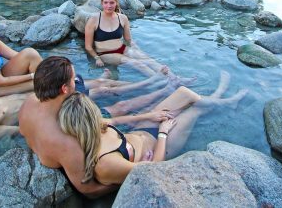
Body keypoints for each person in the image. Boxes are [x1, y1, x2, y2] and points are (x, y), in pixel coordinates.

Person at [19, 56, 183, 197]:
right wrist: (125, 175)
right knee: (124, 109)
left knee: (123, 109)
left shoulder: (30, 103)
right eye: (73, 79)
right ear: (64, 89)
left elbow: (23, 131)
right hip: (115, 158)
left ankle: (160, 88)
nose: (76, 82)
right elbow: (89, 190)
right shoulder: (67, 140)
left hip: (77, 137)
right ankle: (164, 89)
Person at [58, 73, 247, 186]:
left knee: (184, 93)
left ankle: (220, 98)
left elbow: (115, 120)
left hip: (146, 130)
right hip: (162, 147)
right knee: (195, 109)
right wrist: (164, 132)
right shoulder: (105, 163)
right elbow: (154, 168)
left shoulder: (93, 128)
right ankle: (225, 100)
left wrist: (148, 116)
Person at [0, 67, 175, 142]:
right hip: (57, 108)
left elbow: (9, 90)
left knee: (103, 87)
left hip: (48, 92)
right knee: (119, 107)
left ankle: (153, 83)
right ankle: (163, 89)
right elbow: (26, 131)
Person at [84, 0, 190, 78]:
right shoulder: (94, 19)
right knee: (137, 64)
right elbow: (88, 46)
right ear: (102, 3)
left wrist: (139, 51)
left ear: (116, 3)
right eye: (106, 3)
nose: (109, 6)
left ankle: (174, 78)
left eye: (112, 3)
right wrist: (96, 58)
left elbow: (129, 40)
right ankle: (161, 81)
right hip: (105, 53)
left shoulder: (123, 18)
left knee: (148, 60)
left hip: (121, 48)